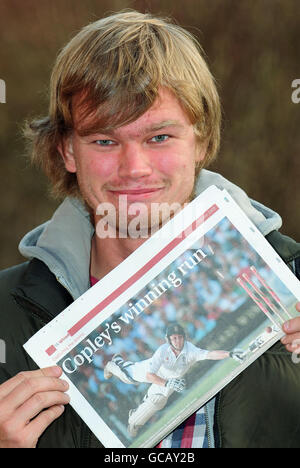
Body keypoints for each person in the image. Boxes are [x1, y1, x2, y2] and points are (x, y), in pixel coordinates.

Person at [0, 10, 299, 449]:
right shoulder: (7, 313)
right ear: (67, 151)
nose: (133, 169)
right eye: (105, 141)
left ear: (199, 140)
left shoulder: (292, 277)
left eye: (159, 137)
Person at [104, 323, 243, 437]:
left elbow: (209, 354)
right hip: (151, 371)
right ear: (168, 339)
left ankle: (134, 420)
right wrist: (167, 383)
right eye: (174, 338)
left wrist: (229, 354)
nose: (178, 341)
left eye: (180, 337)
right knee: (128, 378)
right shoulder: (162, 350)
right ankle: (114, 364)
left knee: (158, 402)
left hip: (169, 379)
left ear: (184, 337)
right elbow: (149, 376)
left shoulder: (191, 350)